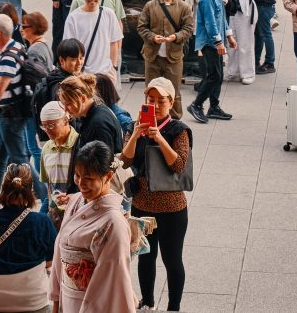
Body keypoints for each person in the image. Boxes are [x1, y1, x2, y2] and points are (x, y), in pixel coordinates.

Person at [121, 78, 191, 313]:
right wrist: (136, 134)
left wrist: (159, 138)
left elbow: (179, 165)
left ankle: (174, 307)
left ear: (171, 102)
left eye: (162, 101)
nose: (156, 105)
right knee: (145, 257)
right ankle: (147, 302)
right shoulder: (134, 126)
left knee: (172, 260)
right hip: (142, 204)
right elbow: (125, 160)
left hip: (172, 208)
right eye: (151, 100)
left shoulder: (178, 130)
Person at [49, 141, 135, 313]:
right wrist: (56, 300)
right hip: (67, 296)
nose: (81, 183)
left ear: (108, 176)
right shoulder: (75, 201)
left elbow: (110, 279)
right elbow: (59, 252)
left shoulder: (113, 223)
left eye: (89, 179)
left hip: (90, 301)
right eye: (77, 175)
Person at [0, 163, 57, 313]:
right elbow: (50, 261)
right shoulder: (43, 222)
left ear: (3, 188)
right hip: (34, 300)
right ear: (31, 190)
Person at [0, 14, 37, 207]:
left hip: (10, 117)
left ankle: (45, 197)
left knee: (21, 160)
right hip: (10, 114)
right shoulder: (17, 46)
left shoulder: (6, 57)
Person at [137, 0, 194, 119]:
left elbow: (188, 28)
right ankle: (149, 121)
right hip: (152, 56)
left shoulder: (184, 7)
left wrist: (176, 36)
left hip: (174, 56)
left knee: (174, 91)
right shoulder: (150, 6)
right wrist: (152, 37)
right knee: (150, 91)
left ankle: (174, 121)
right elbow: (141, 27)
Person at [187, 0, 236, 124]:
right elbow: (210, 23)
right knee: (214, 75)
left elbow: (221, 18)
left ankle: (213, 106)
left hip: (217, 40)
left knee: (218, 75)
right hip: (210, 43)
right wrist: (219, 42)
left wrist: (228, 35)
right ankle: (197, 104)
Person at [63, 0, 123, 80]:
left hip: (106, 73)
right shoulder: (73, 17)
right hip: (83, 74)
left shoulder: (109, 14)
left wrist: (114, 67)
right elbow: (69, 47)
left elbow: (114, 42)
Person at [57, 75, 123, 164]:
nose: (65, 109)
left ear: (83, 98)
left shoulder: (98, 124)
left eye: (68, 104)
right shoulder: (97, 111)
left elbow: (101, 165)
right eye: (63, 104)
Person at [31, 39, 85, 144]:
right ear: (61, 60)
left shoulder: (56, 76)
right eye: (74, 59)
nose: (79, 63)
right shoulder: (62, 86)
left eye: (81, 58)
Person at [39, 102, 78, 223]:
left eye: (51, 126)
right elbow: (50, 188)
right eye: (44, 126)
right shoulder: (46, 148)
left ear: (66, 120)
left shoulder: (78, 144)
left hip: (76, 213)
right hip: (56, 216)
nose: (47, 130)